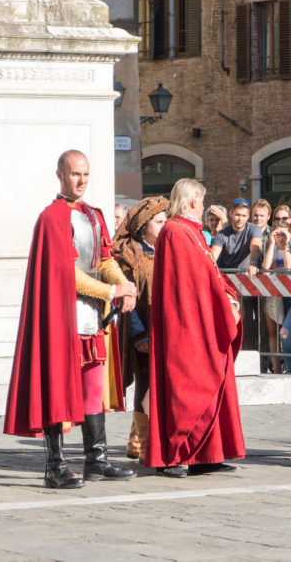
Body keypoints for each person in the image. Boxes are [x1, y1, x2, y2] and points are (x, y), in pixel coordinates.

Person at [3, 150, 136, 489]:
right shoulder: (52, 217)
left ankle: (97, 460)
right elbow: (68, 274)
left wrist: (122, 283)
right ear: (60, 175)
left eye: (86, 175)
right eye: (75, 174)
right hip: (61, 316)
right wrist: (111, 293)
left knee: (93, 387)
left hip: (93, 318)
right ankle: (55, 467)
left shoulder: (94, 215)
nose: (81, 181)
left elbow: (104, 259)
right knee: (57, 389)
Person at [148, 178, 245, 478]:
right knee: (187, 387)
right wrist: (221, 305)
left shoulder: (194, 233)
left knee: (216, 384)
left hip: (205, 319)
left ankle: (207, 454)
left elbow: (212, 275)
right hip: (187, 325)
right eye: (202, 200)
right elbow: (188, 286)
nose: (204, 205)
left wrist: (229, 298)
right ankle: (178, 455)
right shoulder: (176, 232)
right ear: (192, 201)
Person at [112, 196, 168, 465]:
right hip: (141, 328)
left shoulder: (166, 249)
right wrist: (138, 334)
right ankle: (145, 447)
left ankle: (137, 437)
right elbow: (126, 297)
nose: (164, 225)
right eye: (159, 221)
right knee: (144, 383)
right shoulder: (131, 253)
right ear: (145, 225)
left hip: (164, 328)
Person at [262, 206, 291, 374]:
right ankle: (287, 369)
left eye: (285, 219)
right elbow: (266, 269)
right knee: (281, 332)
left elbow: (290, 266)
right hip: (279, 295)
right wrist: (271, 243)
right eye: (277, 220)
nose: (281, 223)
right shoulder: (273, 243)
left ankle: (290, 369)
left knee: (286, 331)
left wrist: (287, 245)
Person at [211, 201, 262, 276]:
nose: (240, 219)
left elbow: (255, 247)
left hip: (247, 275)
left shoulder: (254, 229)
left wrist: (253, 264)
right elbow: (213, 256)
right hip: (227, 276)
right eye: (237, 215)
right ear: (231, 213)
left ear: (248, 216)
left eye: (244, 216)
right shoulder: (221, 234)